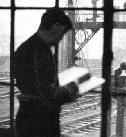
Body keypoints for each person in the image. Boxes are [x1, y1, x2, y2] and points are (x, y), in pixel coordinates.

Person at [13, 8, 79, 137]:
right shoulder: (42, 51)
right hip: (41, 122)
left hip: (26, 116)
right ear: (56, 27)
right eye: (62, 33)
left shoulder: (24, 48)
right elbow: (47, 94)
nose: (61, 38)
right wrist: (71, 90)